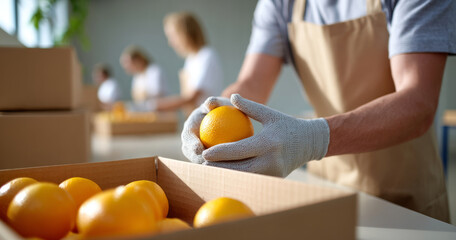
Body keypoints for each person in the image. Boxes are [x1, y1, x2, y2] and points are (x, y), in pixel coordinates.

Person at [181, 0, 456, 222]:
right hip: (330, 182)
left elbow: (417, 101)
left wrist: (313, 138)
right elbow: (251, 84)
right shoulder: (281, 4)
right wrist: (216, 107)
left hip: (405, 190)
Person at [157, 12, 223, 115]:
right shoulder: (191, 59)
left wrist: (154, 105)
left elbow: (191, 97)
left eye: (173, 36)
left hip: (208, 121)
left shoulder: (206, 56)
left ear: (186, 33)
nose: (171, 42)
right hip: (196, 120)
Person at [120, 45, 168, 110]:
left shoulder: (154, 70)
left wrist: (141, 94)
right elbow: (136, 96)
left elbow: (156, 93)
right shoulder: (137, 76)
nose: (127, 67)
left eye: (128, 63)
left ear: (138, 60)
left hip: (162, 111)